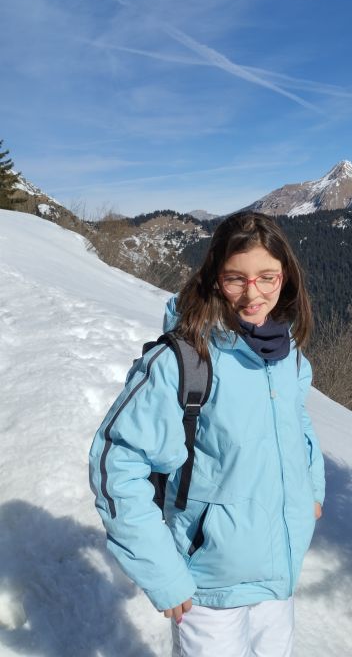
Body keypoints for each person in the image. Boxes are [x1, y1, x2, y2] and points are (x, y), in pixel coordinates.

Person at [89, 211, 325, 657]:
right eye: (236, 278)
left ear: (286, 276)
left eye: (267, 277)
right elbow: (117, 464)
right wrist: (162, 572)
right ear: (215, 277)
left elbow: (297, 422)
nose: (253, 293)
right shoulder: (185, 360)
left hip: (280, 571)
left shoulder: (287, 353)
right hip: (209, 582)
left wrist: (310, 488)